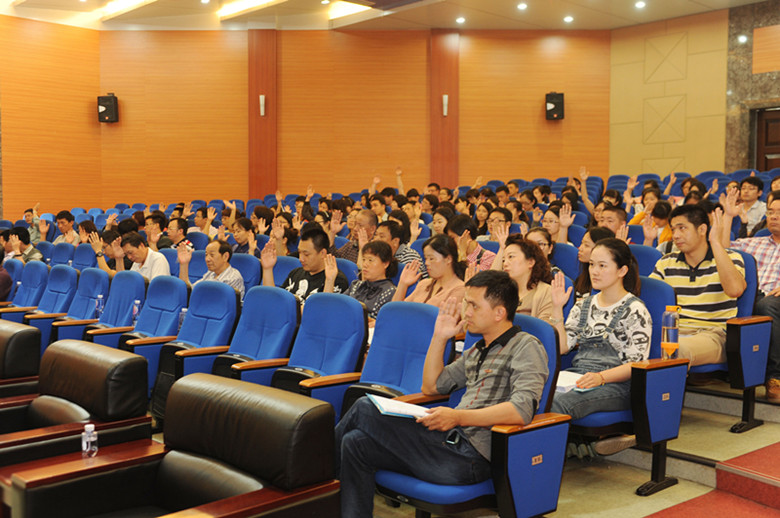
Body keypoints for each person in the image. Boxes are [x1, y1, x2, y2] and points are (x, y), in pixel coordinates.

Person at [335, 270, 548, 518]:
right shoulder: (477, 350)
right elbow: (431, 387)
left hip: (471, 457)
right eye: (466, 303)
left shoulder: (526, 346)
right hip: (447, 443)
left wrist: (458, 417)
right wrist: (439, 337)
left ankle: (311, 476)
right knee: (355, 443)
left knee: (364, 407)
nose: (466, 312)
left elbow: (521, 410)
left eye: (474, 306)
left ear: (499, 313)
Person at [549, 238, 652, 455]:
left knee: (558, 403)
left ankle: (546, 461)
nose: (594, 271)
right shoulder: (583, 305)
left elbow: (637, 365)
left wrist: (601, 377)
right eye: (592, 264)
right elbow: (562, 348)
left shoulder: (635, 310)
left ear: (622, 270)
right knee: (534, 394)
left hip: (617, 385)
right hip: (579, 376)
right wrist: (557, 309)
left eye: (602, 266)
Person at [650, 205, 746, 366]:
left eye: (682, 228)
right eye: (673, 229)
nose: (676, 235)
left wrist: (715, 241)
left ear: (702, 229)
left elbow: (735, 290)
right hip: (674, 331)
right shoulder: (666, 262)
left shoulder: (730, 257)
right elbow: (650, 300)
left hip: (713, 334)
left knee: (671, 349)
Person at [721, 189, 780, 402]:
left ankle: (775, 377)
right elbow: (724, 250)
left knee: (766, 306)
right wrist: (729, 216)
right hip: (752, 295)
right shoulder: (756, 242)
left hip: (775, 298)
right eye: (771, 212)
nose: (774, 216)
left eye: (779, 213)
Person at [261, 226, 349, 300]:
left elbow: (323, 310)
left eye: (306, 254)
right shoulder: (295, 273)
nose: (301, 259)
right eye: (299, 253)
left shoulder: (336, 280)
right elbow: (274, 299)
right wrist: (267, 268)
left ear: (322, 253)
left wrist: (329, 281)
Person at [324, 240, 396, 322]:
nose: (365, 264)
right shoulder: (356, 285)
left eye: (370, 260)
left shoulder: (390, 292)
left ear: (385, 264)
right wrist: (330, 279)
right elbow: (332, 307)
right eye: (364, 259)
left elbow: (383, 322)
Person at [491, 230, 554, 320]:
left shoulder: (546, 292)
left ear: (530, 262)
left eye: (511, 257)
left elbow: (544, 327)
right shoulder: (502, 292)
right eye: (503, 260)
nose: (505, 264)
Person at [393, 234, 466, 306]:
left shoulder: (459, 289)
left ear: (448, 259)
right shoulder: (423, 284)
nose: (426, 263)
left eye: (431, 259)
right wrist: (403, 284)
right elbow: (394, 310)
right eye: (426, 258)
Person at [178, 239, 245, 300]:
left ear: (225, 256)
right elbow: (190, 291)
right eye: (206, 255)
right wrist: (184, 264)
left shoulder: (234, 278)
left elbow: (225, 304)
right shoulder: (211, 273)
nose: (207, 259)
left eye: (212, 255)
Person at [573, 226, 616, 298]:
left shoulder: (607, 281)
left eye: (586, 245)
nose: (580, 248)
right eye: (582, 243)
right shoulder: (582, 277)